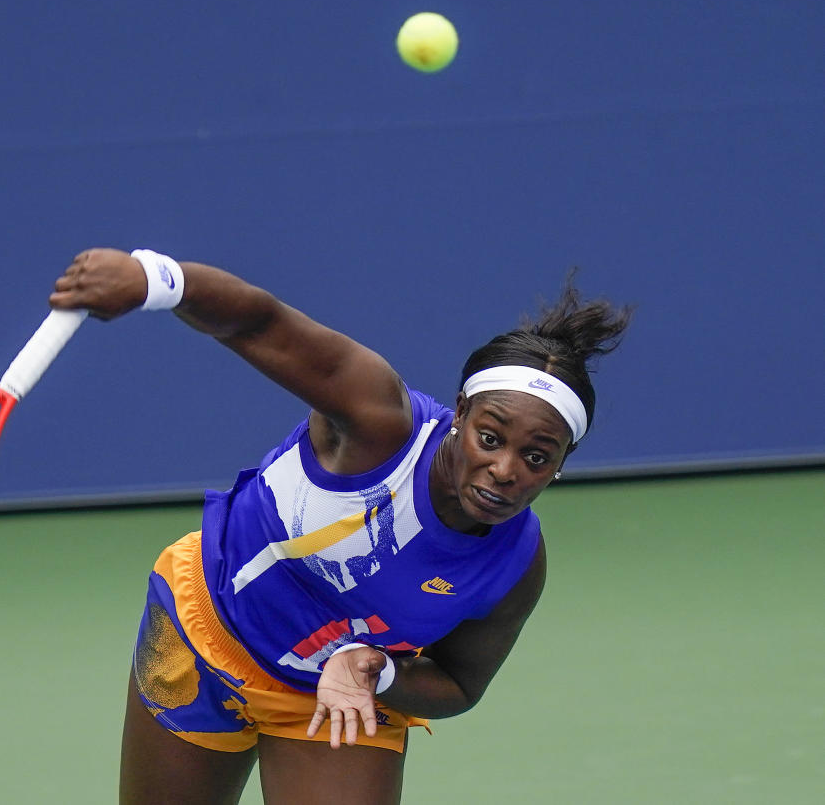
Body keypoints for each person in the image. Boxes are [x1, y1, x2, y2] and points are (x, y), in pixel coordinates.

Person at [48, 248, 631, 805]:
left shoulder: (516, 565)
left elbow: (459, 683)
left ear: (560, 466)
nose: (504, 470)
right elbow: (259, 323)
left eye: (537, 457)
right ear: (459, 414)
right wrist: (154, 279)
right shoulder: (377, 420)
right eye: (490, 437)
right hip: (207, 627)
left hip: (338, 698)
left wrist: (375, 671)